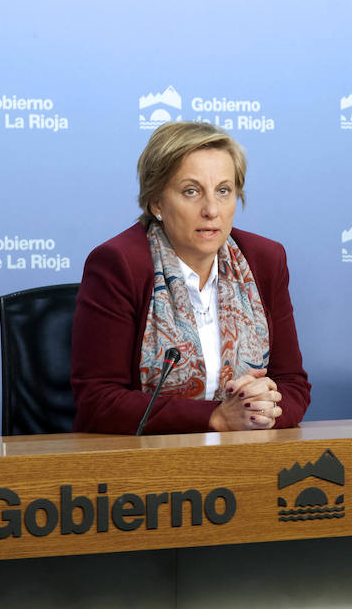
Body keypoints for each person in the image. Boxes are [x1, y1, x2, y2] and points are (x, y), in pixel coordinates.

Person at [71, 121, 311, 434]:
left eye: (223, 191)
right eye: (191, 191)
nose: (212, 209)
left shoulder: (264, 260)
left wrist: (265, 409)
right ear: (156, 202)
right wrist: (216, 418)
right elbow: (98, 401)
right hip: (143, 466)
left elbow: (292, 384)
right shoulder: (120, 264)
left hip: (246, 458)